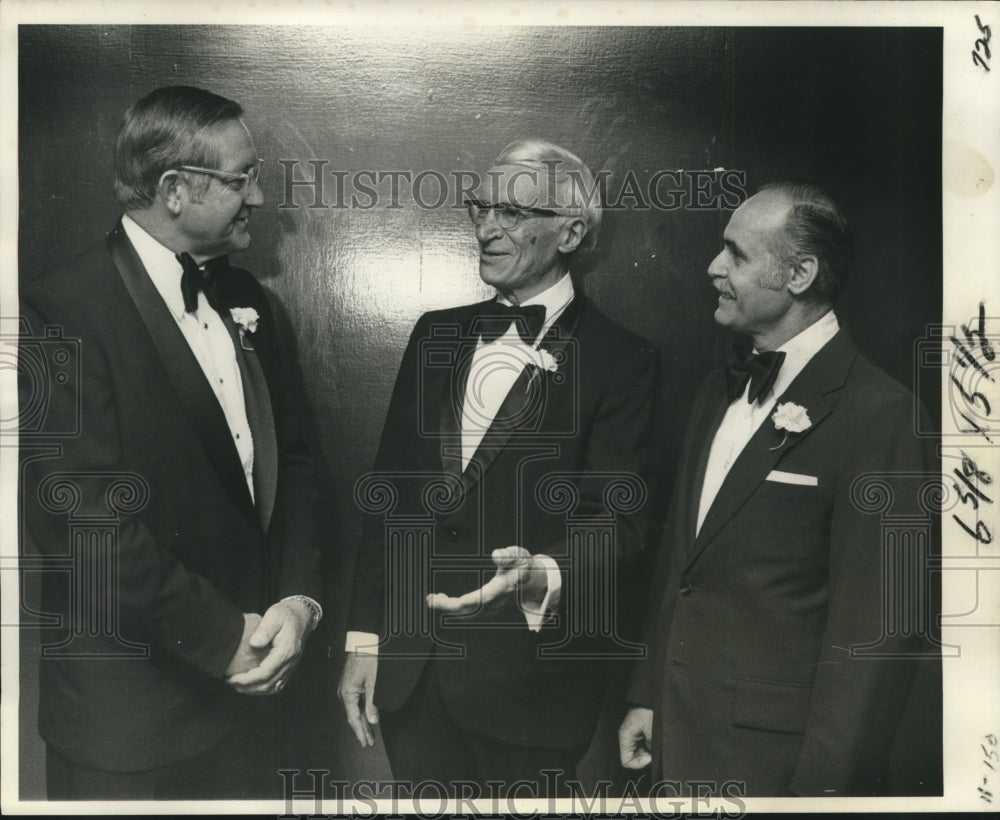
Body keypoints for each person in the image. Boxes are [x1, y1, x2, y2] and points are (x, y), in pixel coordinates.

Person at [19, 85, 322, 800]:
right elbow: (83, 524)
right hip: (129, 728)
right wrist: (226, 640)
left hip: (251, 707)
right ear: (175, 190)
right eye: (242, 177)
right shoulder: (60, 310)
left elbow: (300, 465)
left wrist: (298, 603)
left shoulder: (255, 303)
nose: (258, 196)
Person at [338, 139, 660, 794]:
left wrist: (541, 571)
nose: (486, 228)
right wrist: (365, 638)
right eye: (480, 207)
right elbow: (390, 493)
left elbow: (621, 525)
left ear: (570, 231)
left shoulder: (625, 361)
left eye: (512, 213)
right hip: (413, 678)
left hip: (531, 691)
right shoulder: (435, 333)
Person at [618, 183, 938, 796]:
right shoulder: (717, 389)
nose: (713, 268)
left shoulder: (883, 415)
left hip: (778, 769)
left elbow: (877, 634)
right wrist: (648, 695)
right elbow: (682, 567)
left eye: (735, 254)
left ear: (800, 274)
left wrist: (821, 794)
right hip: (678, 742)